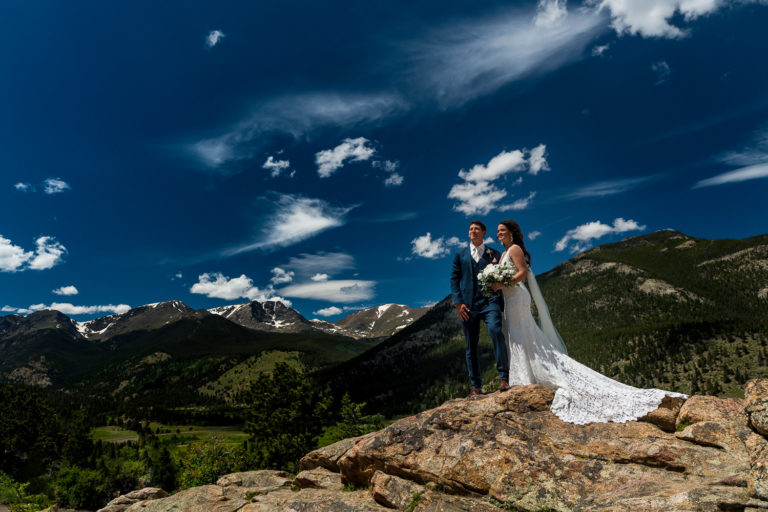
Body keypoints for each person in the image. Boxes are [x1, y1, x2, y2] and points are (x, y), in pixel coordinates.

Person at [491, 220, 686, 424]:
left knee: (523, 333)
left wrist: (502, 283)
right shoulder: (503, 254)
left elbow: (521, 275)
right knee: (514, 335)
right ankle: (522, 376)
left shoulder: (514, 250)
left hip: (518, 298)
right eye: (497, 232)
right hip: (508, 299)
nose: (499, 234)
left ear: (512, 233)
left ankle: (530, 377)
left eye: (502, 231)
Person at [450, 220, 510, 398]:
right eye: (470, 229)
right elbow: (454, 280)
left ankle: (503, 378)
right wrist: (458, 303)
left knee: (495, 331)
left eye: (476, 229)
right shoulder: (460, 254)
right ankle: (476, 386)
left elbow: (501, 275)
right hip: (467, 306)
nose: (472, 231)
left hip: (489, 301)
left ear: (484, 233)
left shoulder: (494, 253)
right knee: (471, 345)